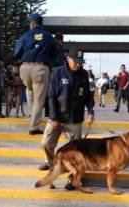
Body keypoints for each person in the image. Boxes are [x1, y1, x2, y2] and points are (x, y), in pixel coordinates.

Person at [39, 47, 95, 191]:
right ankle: (53, 167)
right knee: (46, 143)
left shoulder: (83, 74)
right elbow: (51, 96)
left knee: (75, 152)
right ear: (68, 59)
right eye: (76, 61)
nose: (78, 64)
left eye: (80, 62)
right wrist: (53, 117)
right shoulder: (57, 73)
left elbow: (88, 96)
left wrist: (90, 112)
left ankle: (72, 177)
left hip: (74, 119)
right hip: (57, 118)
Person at [14, 13, 58, 135]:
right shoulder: (48, 37)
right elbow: (54, 53)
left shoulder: (24, 36)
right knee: (39, 98)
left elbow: (16, 53)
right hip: (40, 68)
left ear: (32, 24)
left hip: (25, 68)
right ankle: (33, 126)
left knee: (29, 90)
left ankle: (31, 114)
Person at [44, 32, 65, 118]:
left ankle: (47, 111)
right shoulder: (58, 48)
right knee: (56, 92)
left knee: (48, 92)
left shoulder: (49, 46)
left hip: (47, 70)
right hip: (55, 72)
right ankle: (53, 111)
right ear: (61, 40)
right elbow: (59, 62)